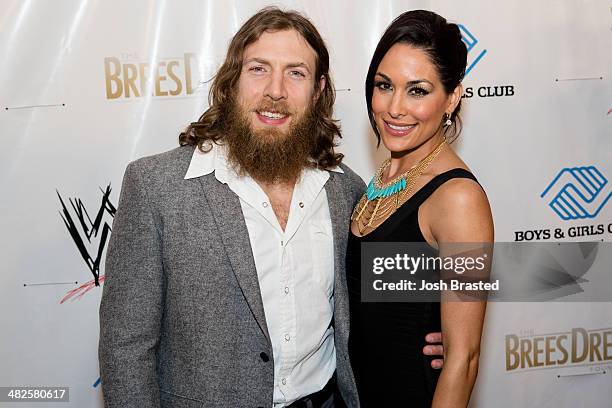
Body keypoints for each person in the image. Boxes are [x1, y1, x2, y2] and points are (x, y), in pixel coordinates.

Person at [99, 7, 443, 408]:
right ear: (232, 82)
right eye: (259, 69)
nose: (275, 90)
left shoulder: (346, 191)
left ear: (317, 91)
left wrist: (445, 325)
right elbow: (125, 348)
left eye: (296, 73)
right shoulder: (156, 186)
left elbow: (396, 282)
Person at [346, 10, 494, 408]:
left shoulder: (458, 198)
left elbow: (462, 361)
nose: (395, 108)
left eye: (418, 90)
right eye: (384, 85)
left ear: (452, 96)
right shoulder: (382, 178)